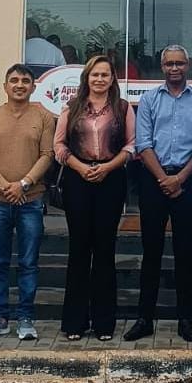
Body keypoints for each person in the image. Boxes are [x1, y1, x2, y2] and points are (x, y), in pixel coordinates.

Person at [124, 44, 192, 343]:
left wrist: (180, 178)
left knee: (185, 253)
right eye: (170, 64)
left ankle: (185, 319)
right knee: (151, 251)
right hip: (154, 181)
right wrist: (163, 178)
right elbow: (143, 143)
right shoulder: (149, 100)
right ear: (162, 67)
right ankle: (144, 318)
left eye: (179, 63)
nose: (175, 68)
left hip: (187, 181)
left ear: (188, 65)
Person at [53, 53, 136, 340]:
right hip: (77, 180)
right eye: (95, 74)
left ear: (112, 79)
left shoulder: (122, 108)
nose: (100, 79)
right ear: (87, 78)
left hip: (111, 179)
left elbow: (131, 145)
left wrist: (107, 168)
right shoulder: (72, 107)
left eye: (105, 75)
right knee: (79, 249)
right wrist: (80, 167)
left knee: (104, 250)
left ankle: (103, 323)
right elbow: (59, 146)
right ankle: (74, 323)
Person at [0, 63, 55, 341]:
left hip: (30, 200)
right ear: (5, 86)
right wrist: (5, 186)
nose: (19, 85)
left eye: (25, 81)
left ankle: (25, 317)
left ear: (33, 87)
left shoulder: (44, 117)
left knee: (28, 262)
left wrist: (23, 184)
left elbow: (47, 155)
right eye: (14, 80)